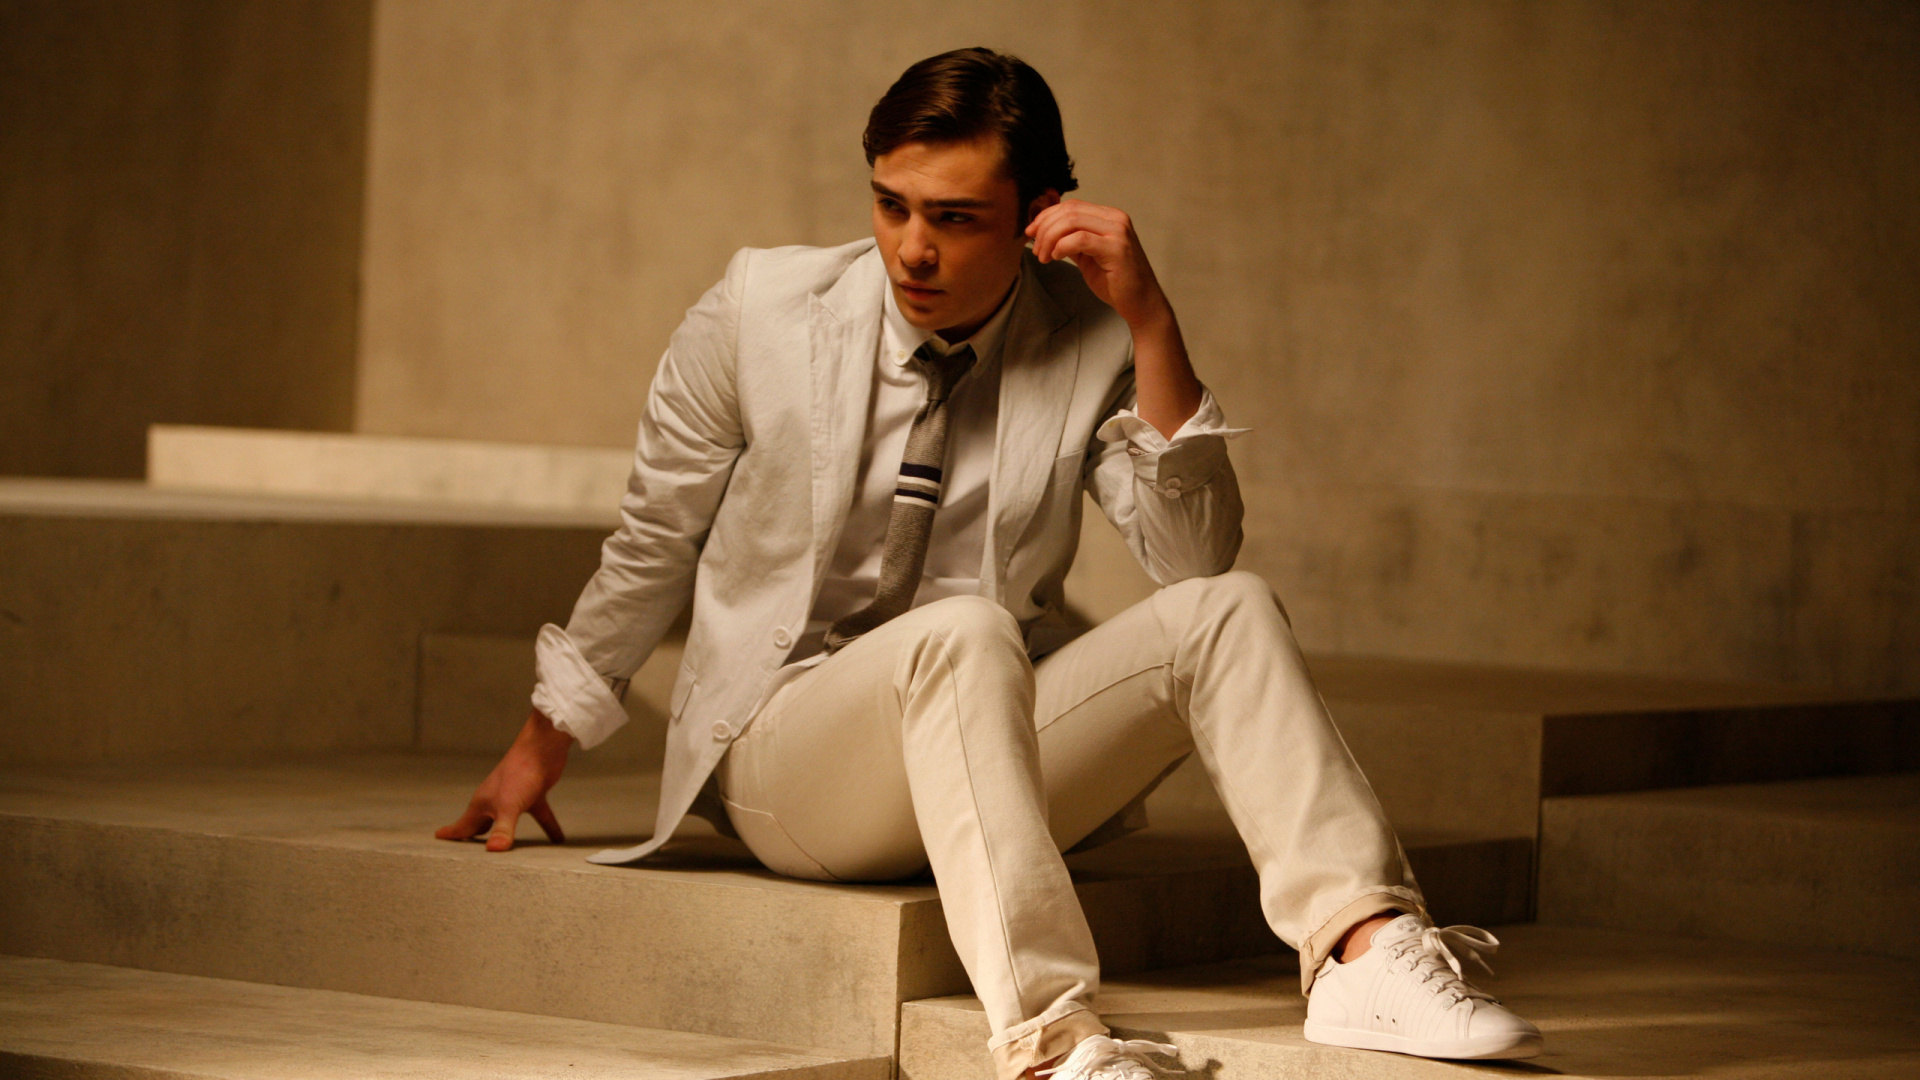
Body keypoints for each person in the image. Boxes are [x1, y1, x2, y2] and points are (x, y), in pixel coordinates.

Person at [438, 47, 1541, 1080]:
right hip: (786, 754)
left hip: (986, 745)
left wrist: (1150, 321)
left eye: (955, 219)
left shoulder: (1089, 340)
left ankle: (1361, 948)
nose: (912, 249)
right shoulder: (759, 313)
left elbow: (1195, 560)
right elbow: (655, 538)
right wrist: (544, 738)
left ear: (1038, 217)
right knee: (969, 629)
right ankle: (1053, 1040)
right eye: (892, 205)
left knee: (1231, 608)